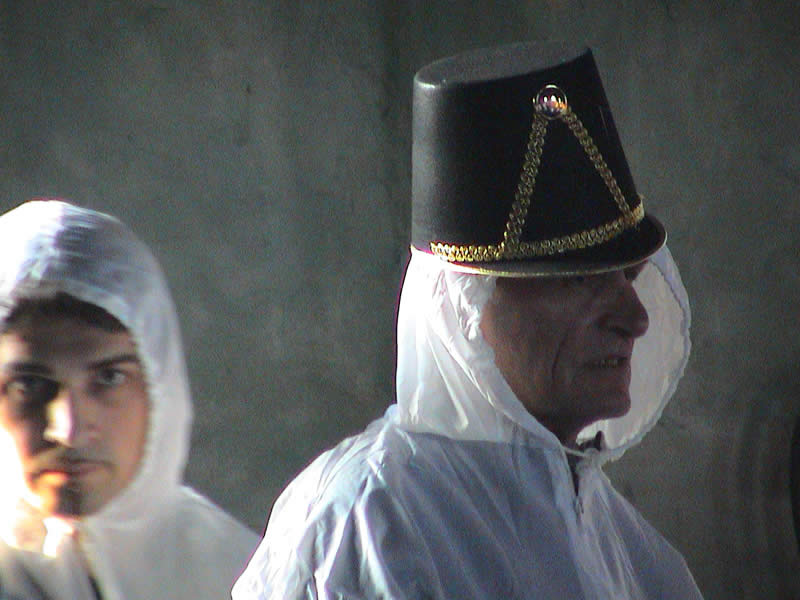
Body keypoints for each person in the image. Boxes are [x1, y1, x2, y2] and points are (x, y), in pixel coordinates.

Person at [233, 42, 704, 599]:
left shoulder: (637, 556)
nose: (634, 318)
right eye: (579, 280)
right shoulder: (370, 525)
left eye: (628, 276)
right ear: (465, 308)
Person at [0, 200, 259, 599]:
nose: (69, 430)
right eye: (29, 386)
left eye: (109, 378)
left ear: (160, 388)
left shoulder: (245, 576)